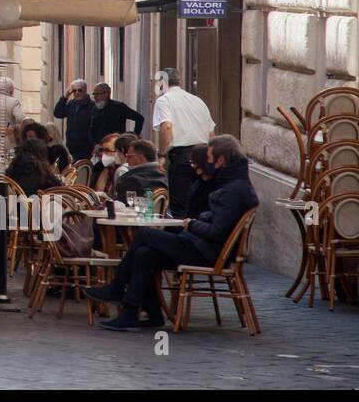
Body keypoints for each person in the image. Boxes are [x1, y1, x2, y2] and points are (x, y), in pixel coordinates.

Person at [89, 134, 258, 330]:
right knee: (145, 254)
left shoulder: (233, 189)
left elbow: (218, 231)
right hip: (201, 246)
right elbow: (216, 219)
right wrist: (200, 220)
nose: (208, 162)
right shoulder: (235, 184)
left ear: (221, 160)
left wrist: (192, 224)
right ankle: (139, 313)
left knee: (145, 235)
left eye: (210, 158)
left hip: (205, 251)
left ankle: (118, 286)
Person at [152, 67, 216, 216]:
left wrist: (161, 155)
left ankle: (184, 237)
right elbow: (211, 134)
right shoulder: (197, 100)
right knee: (201, 205)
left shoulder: (164, 100)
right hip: (205, 156)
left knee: (181, 207)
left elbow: (167, 128)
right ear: (179, 82)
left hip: (182, 157)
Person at [114, 139, 168, 205]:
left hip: (134, 214)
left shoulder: (132, 180)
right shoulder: (164, 178)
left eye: (129, 157)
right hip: (158, 215)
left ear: (141, 158)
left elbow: (120, 208)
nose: (127, 161)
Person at [53, 79, 95, 162]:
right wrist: (65, 97)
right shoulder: (71, 104)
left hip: (86, 147)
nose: (77, 93)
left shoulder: (92, 106)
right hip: (71, 145)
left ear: (85, 90)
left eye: (80, 90)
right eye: (74, 91)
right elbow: (57, 113)